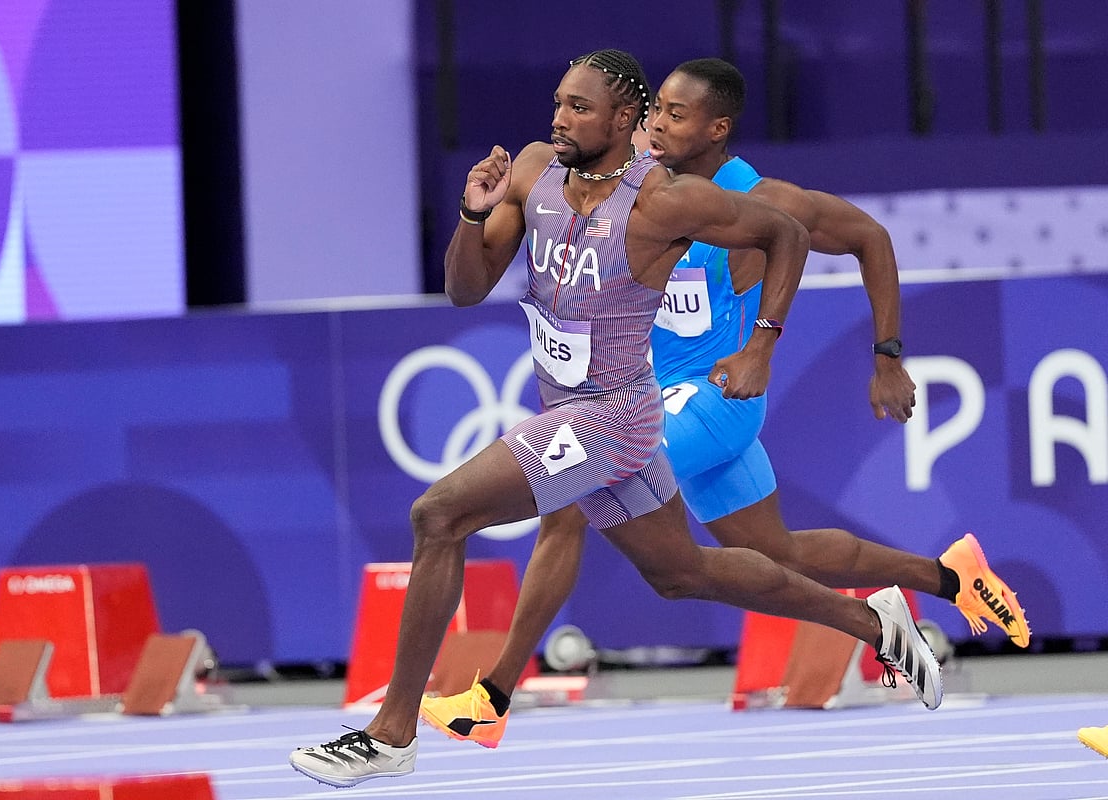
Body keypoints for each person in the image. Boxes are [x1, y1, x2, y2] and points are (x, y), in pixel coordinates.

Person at [290, 49, 940, 789]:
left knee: (438, 515)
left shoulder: (665, 200)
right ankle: (875, 624)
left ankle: (393, 733)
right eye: (558, 103)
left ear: (622, 119)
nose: (560, 119)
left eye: (580, 108)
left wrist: (762, 347)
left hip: (615, 418)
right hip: (576, 409)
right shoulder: (534, 172)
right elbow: (464, 290)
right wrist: (473, 213)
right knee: (682, 572)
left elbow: (786, 234)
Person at [419, 57, 1028, 750]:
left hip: (714, 399)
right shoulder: (637, 186)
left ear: (717, 130)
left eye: (675, 117)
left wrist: (880, 356)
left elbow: (869, 238)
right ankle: (947, 577)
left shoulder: (758, 198)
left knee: (569, 501)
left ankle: (494, 694)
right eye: (654, 111)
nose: (655, 127)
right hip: (654, 398)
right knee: (775, 553)